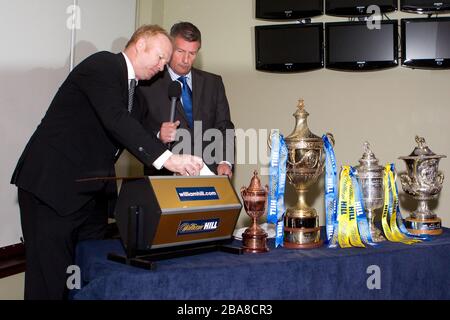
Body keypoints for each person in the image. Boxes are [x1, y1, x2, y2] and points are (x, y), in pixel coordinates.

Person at [10, 25, 203, 300]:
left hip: (91, 198)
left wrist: (158, 137)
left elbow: (136, 132)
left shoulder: (135, 97)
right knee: (49, 285)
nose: (163, 68)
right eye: (160, 58)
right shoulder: (102, 65)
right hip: (52, 189)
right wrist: (169, 159)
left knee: (88, 282)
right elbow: (116, 120)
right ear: (140, 46)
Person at [139, 22, 235, 177]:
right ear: (169, 47)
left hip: (209, 173)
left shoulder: (213, 83)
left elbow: (225, 127)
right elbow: (135, 129)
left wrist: (225, 161)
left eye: (192, 53)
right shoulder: (147, 84)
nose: (185, 59)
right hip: (164, 177)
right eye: (180, 51)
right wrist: (158, 135)